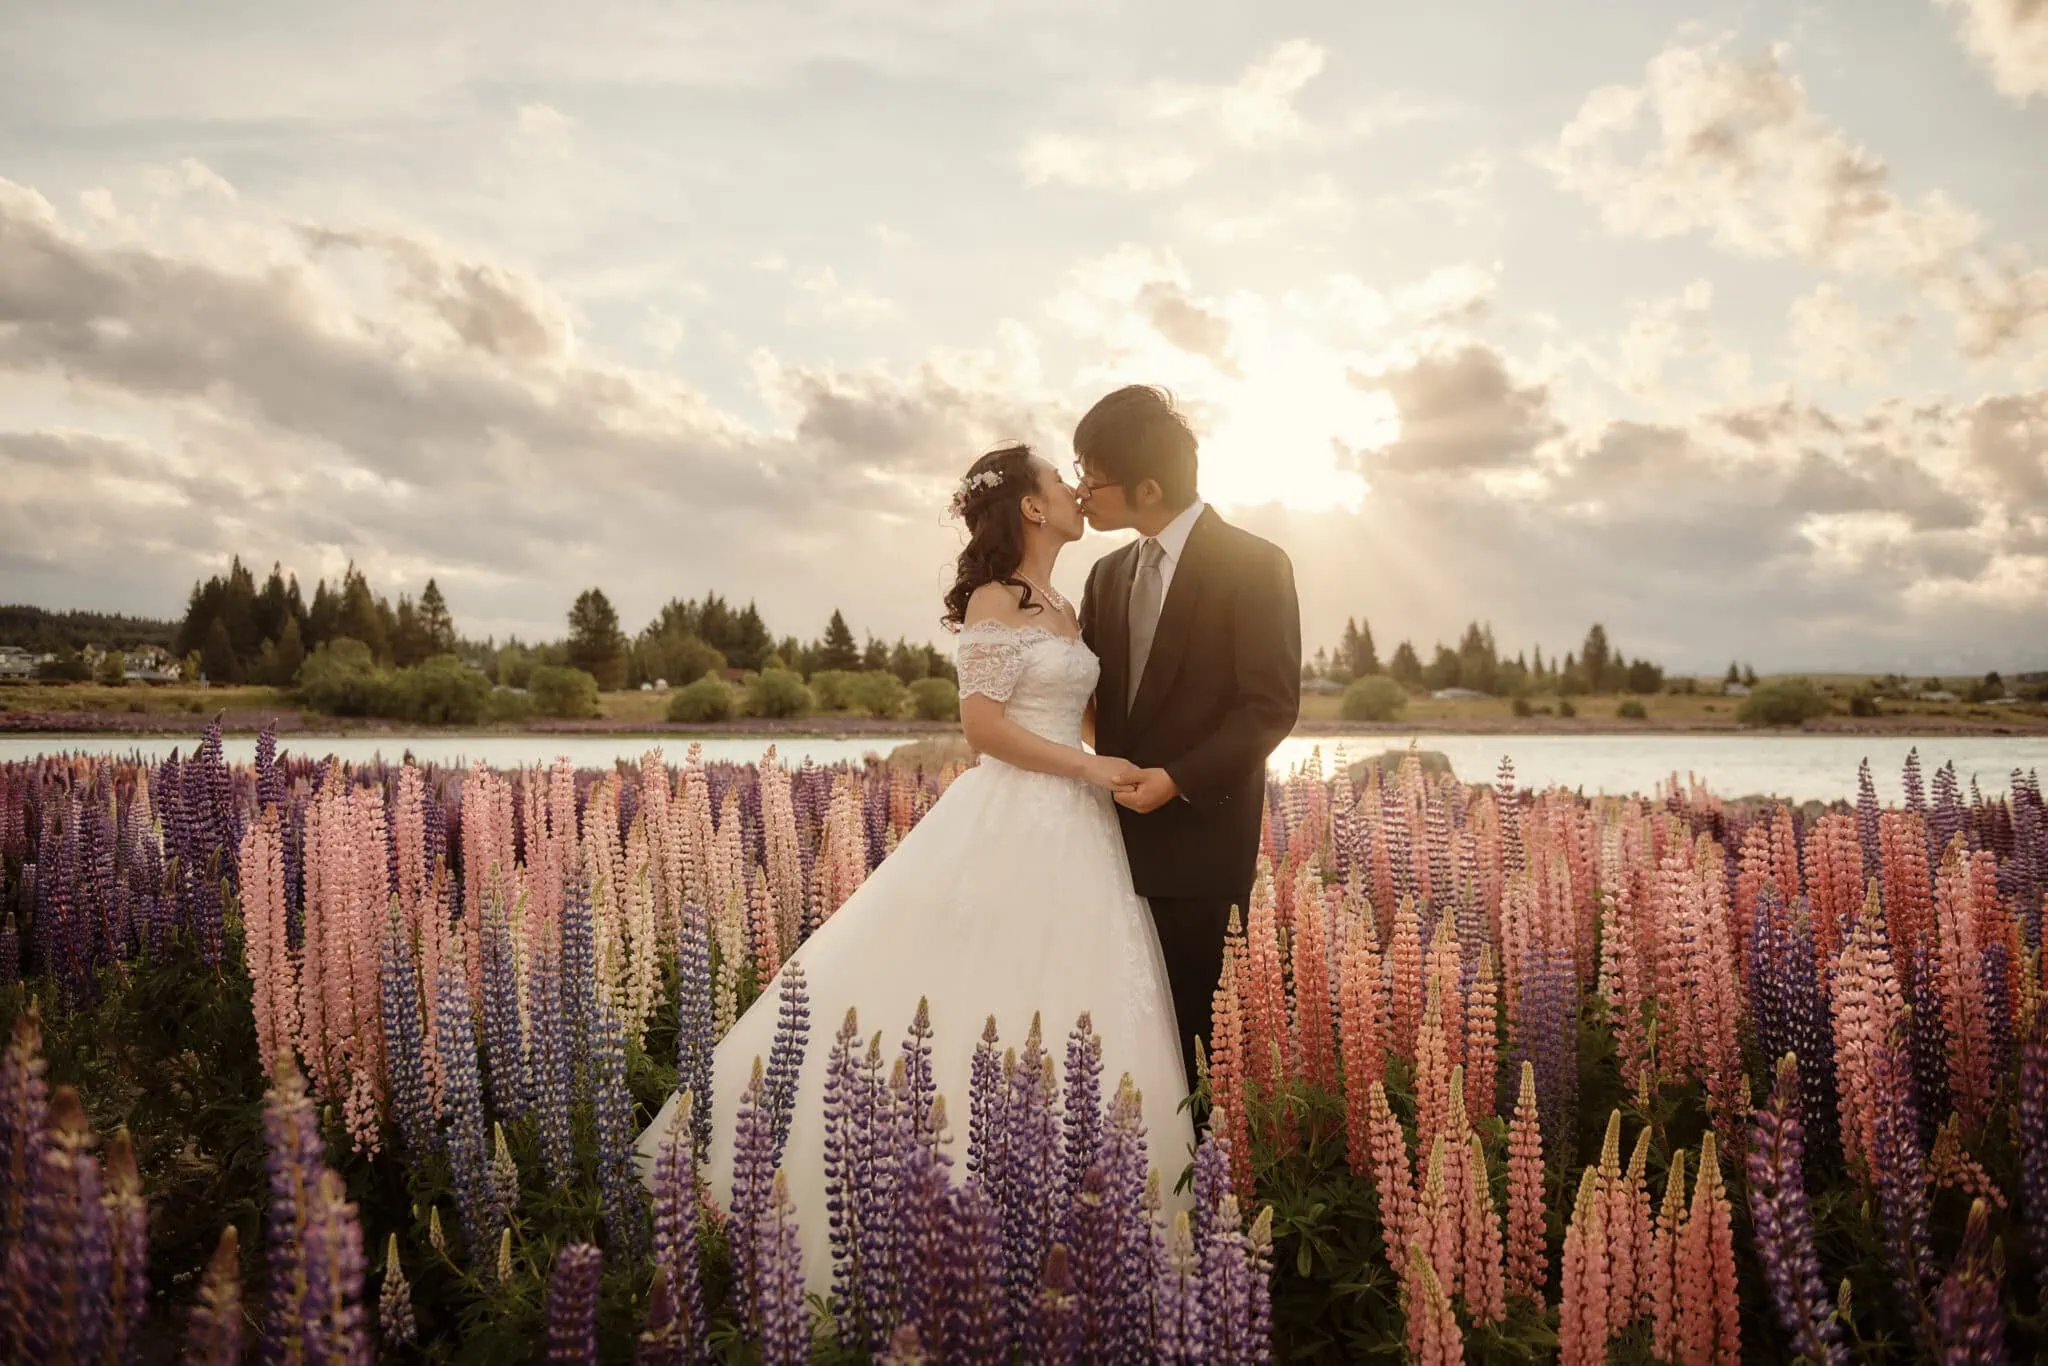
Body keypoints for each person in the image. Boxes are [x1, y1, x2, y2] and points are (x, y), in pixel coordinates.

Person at [632, 440, 1195, 1296]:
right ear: (1032, 508)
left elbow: (1076, 719)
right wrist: (1092, 770)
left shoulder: (1064, 604)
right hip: (1012, 813)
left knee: (1075, 994)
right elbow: (985, 728)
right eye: (1060, 480)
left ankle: (1075, 1235)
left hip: (1080, 826)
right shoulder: (992, 599)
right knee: (971, 990)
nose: (1078, 490)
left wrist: (1136, 763)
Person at [1074, 384, 1302, 1098]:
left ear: (1147, 486)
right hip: (1107, 839)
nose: (1081, 492)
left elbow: (1269, 708)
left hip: (1204, 842)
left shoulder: (1255, 563)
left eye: (1092, 475)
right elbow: (1092, 696)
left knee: (1199, 1043)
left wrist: (1176, 777)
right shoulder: (1107, 573)